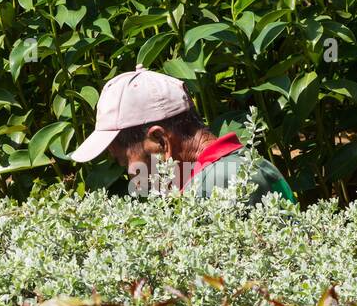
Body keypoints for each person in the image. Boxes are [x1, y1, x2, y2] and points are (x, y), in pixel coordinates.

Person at [67, 65, 295, 206]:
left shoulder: (217, 184)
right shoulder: (245, 163)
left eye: (123, 160)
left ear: (160, 141)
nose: (129, 174)